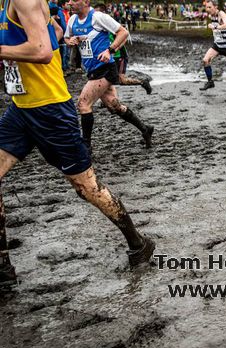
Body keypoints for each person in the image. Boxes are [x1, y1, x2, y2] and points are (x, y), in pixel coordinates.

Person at [0, 0, 155, 288]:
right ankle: (3, 266)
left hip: (51, 111)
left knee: (88, 188)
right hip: (20, 109)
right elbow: (55, 32)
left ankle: (138, 243)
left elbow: (42, 51)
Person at [65, 0, 154, 149]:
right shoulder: (73, 19)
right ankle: (145, 129)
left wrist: (109, 50)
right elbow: (67, 38)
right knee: (114, 106)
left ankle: (86, 147)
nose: (69, 3)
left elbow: (123, 32)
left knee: (83, 104)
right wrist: (70, 41)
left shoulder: (98, 17)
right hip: (91, 69)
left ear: (86, 2)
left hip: (104, 68)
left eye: (74, 0)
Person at [93, 3, 152, 94]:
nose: (95, 15)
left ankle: (143, 82)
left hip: (119, 55)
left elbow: (125, 36)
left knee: (121, 80)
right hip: (108, 57)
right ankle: (108, 99)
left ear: (103, 12)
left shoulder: (110, 23)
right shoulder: (96, 24)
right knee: (105, 78)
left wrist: (116, 48)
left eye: (97, 12)